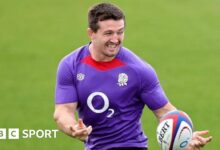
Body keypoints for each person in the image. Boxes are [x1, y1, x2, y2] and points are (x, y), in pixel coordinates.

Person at [53, 3, 212, 150]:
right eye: (108, 33)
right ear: (91, 33)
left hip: (131, 146)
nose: (115, 39)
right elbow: (63, 111)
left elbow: (165, 112)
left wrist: (185, 136)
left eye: (120, 32)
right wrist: (73, 127)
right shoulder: (71, 65)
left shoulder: (139, 70)